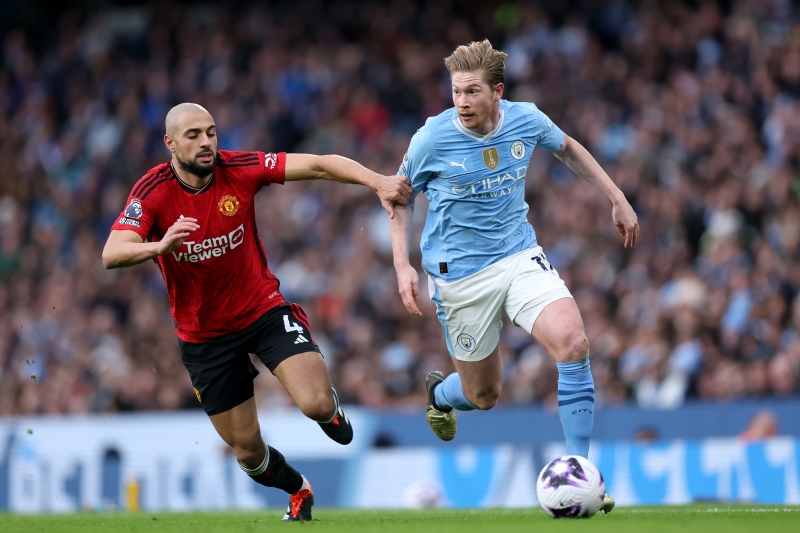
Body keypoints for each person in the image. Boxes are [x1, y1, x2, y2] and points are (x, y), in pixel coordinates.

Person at [102, 103, 412, 521]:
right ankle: (298, 489)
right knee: (248, 453)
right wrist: (159, 247)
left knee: (316, 405)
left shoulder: (240, 168)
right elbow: (111, 253)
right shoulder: (152, 191)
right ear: (170, 143)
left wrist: (377, 181)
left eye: (211, 132)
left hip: (262, 312)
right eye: (193, 135)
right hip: (204, 337)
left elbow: (318, 165)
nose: (206, 142)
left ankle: (330, 407)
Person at [389, 40, 639, 514]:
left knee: (573, 343)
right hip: (460, 276)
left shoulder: (526, 119)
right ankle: (440, 395)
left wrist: (616, 196)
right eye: (456, 92)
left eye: (472, 92)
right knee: (483, 395)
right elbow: (399, 198)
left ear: (497, 92)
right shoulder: (431, 138)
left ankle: (580, 473)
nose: (462, 102)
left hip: (519, 254)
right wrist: (402, 264)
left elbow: (568, 148)